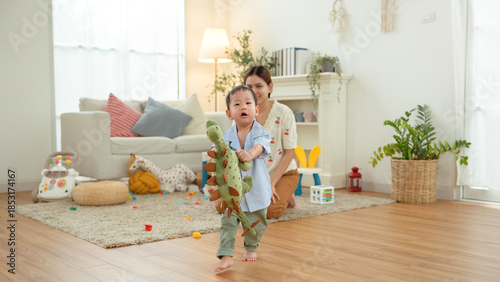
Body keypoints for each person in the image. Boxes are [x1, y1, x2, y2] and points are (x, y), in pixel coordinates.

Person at [214, 85, 272, 272]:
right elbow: (218, 155)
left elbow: (260, 146)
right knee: (227, 223)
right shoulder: (226, 137)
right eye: (237, 104)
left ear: (256, 110)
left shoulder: (259, 132)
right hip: (232, 194)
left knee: (257, 223)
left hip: (256, 190)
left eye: (248, 103)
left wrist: (249, 154)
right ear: (229, 113)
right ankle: (226, 255)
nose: (243, 107)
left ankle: (251, 247)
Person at [244, 65, 300, 219]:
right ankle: (284, 193)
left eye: (259, 86)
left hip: (283, 174)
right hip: (255, 178)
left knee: (268, 212)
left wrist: (271, 183)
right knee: (226, 207)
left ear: (270, 87)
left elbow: (290, 153)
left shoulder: (283, 113)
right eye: (249, 87)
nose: (254, 91)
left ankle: (286, 192)